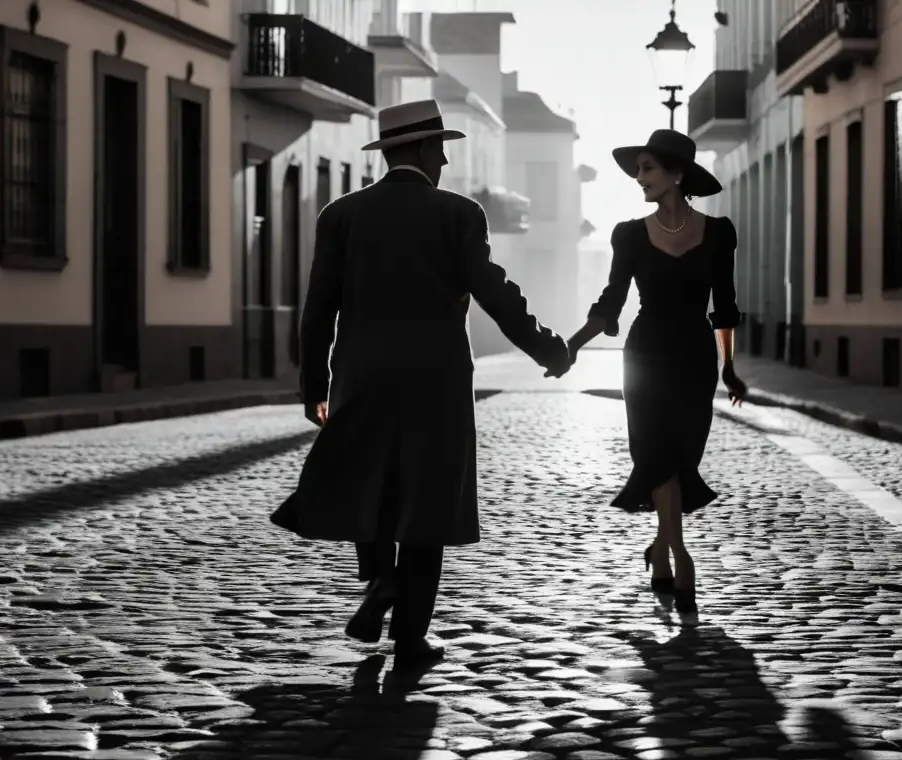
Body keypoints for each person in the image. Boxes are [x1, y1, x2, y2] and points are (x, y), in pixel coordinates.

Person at [273, 99, 571, 668]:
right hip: (437, 381)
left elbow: (318, 311)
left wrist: (314, 383)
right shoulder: (459, 215)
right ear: (417, 150)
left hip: (362, 375)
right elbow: (494, 291)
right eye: (438, 147)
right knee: (427, 503)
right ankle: (411, 638)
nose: (443, 159)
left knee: (371, 488)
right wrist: (547, 348)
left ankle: (379, 580)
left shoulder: (341, 216)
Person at [567, 129, 748, 615]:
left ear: (676, 174)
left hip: (694, 356)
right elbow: (611, 303)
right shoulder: (628, 234)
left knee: (682, 455)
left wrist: (729, 367)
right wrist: (571, 346)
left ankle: (660, 548)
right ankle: (678, 558)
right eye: (638, 169)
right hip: (645, 355)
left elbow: (725, 308)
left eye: (647, 168)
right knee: (656, 454)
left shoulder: (718, 233)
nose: (639, 178)